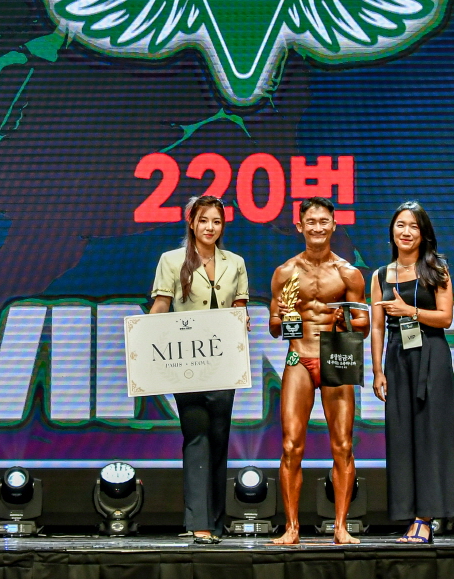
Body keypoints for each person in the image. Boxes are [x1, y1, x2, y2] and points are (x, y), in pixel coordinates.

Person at [149, 195, 250, 543]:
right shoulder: (171, 260)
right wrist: (143, 345)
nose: (210, 227)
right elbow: (161, 305)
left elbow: (240, 307)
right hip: (186, 362)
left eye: (216, 221)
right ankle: (199, 522)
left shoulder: (235, 263)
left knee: (219, 440)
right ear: (191, 222)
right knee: (196, 437)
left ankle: (215, 522)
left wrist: (243, 320)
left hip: (224, 363)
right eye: (203, 220)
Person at [268, 196, 368, 545]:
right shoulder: (285, 272)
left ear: (334, 225)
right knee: (291, 445)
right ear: (300, 226)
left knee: (342, 444)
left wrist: (345, 321)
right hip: (299, 356)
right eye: (311, 221)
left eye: (324, 221)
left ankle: (340, 527)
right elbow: (275, 328)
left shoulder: (348, 273)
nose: (317, 227)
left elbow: (363, 325)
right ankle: (292, 528)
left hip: (336, 352)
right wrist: (284, 316)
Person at [370, 201, 454, 543]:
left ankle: (426, 518)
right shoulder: (380, 275)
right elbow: (377, 326)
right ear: (392, 232)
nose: (406, 232)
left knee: (430, 435)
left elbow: (445, 318)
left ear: (423, 234)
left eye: (413, 226)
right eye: (401, 225)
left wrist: (409, 311)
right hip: (398, 357)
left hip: (431, 355)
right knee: (402, 436)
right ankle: (411, 513)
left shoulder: (436, 270)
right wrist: (377, 370)